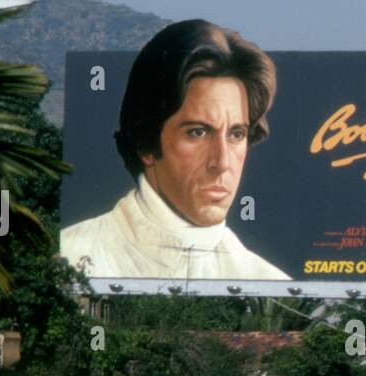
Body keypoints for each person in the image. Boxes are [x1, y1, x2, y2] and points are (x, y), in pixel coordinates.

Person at [61, 19, 288, 281]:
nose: (222, 162)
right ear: (146, 143)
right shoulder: (70, 259)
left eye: (236, 134)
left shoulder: (268, 281)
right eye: (198, 132)